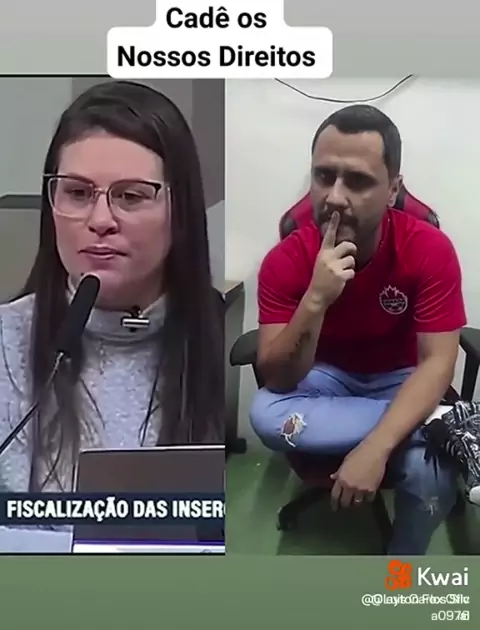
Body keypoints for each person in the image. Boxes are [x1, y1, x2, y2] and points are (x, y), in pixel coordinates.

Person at [250, 104, 469, 555]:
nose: (334, 196)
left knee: (430, 472)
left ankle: (401, 572)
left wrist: (375, 448)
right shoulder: (286, 259)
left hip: (401, 380)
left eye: (357, 181)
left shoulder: (428, 249)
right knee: (266, 416)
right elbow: (279, 377)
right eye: (324, 176)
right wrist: (315, 299)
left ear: (393, 190)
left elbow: (438, 364)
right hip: (324, 380)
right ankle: (440, 425)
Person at [0, 80, 224, 493]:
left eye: (131, 196)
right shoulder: (6, 343)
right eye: (77, 192)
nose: (101, 220)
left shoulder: (215, 345)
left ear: (180, 211)